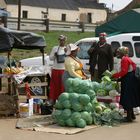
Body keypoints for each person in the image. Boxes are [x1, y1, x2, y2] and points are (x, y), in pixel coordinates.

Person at [112, 46, 140, 122]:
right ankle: (132, 115)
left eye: (118, 52)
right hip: (130, 78)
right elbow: (128, 71)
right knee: (130, 97)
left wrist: (114, 76)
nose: (117, 54)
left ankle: (129, 117)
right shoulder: (127, 59)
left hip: (128, 80)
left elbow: (124, 71)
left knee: (127, 98)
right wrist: (120, 78)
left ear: (122, 53)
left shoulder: (124, 59)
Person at [48, 35, 67, 104]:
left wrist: (67, 53)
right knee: (54, 85)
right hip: (55, 69)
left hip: (63, 69)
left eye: (63, 40)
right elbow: (50, 58)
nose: (62, 41)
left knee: (62, 85)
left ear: (65, 41)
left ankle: (62, 100)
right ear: (59, 41)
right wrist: (54, 55)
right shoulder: (55, 48)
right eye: (60, 40)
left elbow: (69, 58)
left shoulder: (66, 49)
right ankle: (52, 99)